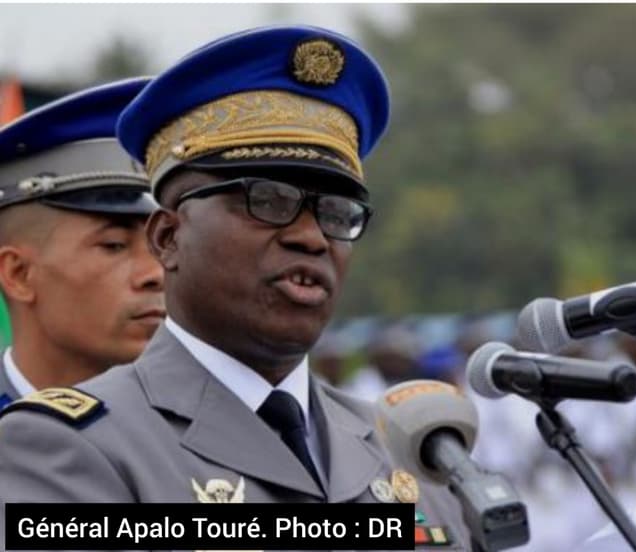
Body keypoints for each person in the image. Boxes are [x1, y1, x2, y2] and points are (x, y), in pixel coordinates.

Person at [0, 26, 470, 550]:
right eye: (267, 200)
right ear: (169, 237)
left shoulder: (414, 449)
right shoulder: (66, 446)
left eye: (336, 212)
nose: (311, 237)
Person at [0, 78, 164, 409]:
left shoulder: (206, 439)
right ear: (18, 274)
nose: (156, 274)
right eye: (115, 245)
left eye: (160, 245)